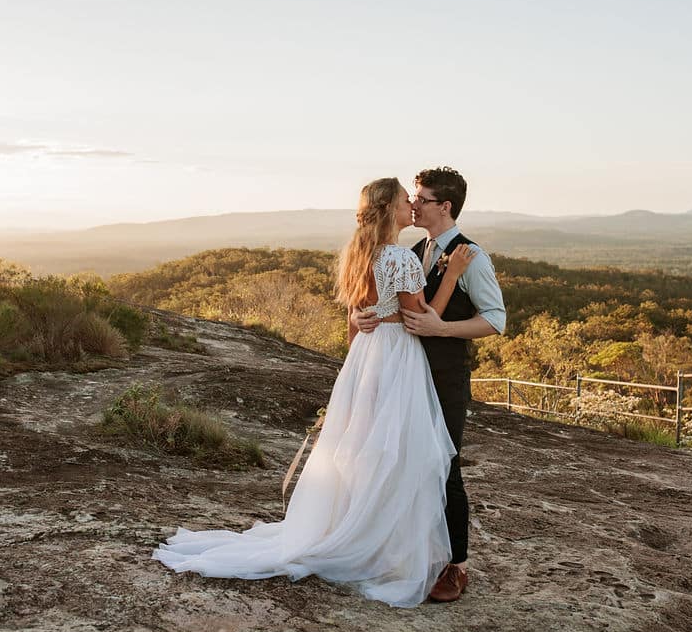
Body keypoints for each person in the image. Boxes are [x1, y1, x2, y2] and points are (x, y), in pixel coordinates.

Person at [153, 177, 476, 608]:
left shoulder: (358, 254)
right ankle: (382, 544)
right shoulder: (400, 257)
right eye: (405, 201)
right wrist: (453, 274)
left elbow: (352, 326)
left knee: (365, 448)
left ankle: (363, 529)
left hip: (367, 356)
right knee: (399, 453)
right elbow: (426, 320)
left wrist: (365, 323)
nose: (411, 207)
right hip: (398, 354)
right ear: (388, 211)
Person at [351, 166, 506, 603]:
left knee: (445, 466)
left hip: (443, 378)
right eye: (411, 198)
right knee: (401, 463)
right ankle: (410, 553)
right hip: (403, 372)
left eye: (421, 198)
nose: (413, 204)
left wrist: (443, 330)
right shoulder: (414, 249)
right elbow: (386, 306)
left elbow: (495, 320)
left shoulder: (471, 255)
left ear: (445, 206)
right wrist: (359, 317)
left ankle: (456, 566)